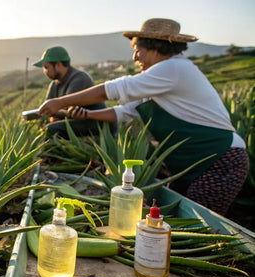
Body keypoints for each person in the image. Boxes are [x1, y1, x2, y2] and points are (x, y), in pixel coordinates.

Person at [38, 18, 248, 215]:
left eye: (139, 50)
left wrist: (60, 102)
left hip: (221, 160)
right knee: (170, 219)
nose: (135, 57)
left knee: (197, 223)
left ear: (157, 48)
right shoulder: (160, 77)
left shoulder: (173, 68)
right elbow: (124, 112)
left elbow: (114, 89)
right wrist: (88, 113)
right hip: (192, 162)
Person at [33, 46, 110, 139]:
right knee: (44, 126)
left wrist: (51, 111)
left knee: (51, 130)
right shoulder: (54, 84)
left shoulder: (79, 79)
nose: (45, 71)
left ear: (58, 65)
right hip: (74, 121)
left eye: (46, 67)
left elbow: (69, 112)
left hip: (91, 121)